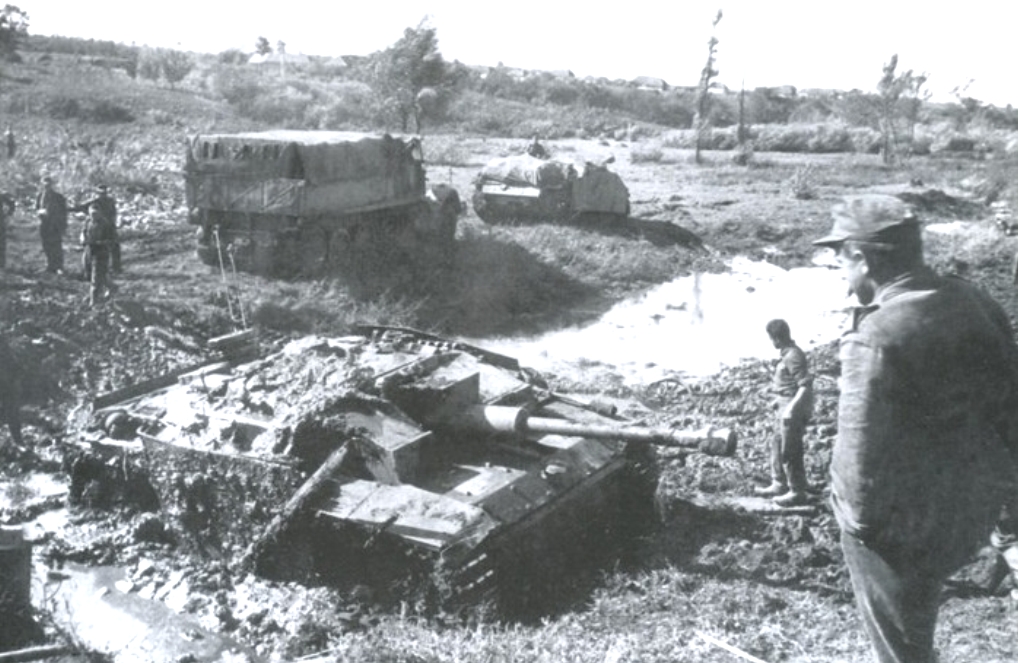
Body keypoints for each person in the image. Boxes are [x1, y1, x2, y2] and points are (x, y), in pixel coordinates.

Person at [814, 193, 1018, 663]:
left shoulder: (875, 336)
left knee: (903, 647)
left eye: (841, 261)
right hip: (973, 509)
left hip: (906, 528)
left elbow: (857, 461)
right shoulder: (973, 299)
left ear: (863, 259)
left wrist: (856, 527)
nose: (842, 275)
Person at [754, 318, 813, 507]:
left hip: (791, 407)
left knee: (790, 449)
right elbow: (787, 383)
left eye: (771, 338)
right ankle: (779, 483)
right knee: (777, 444)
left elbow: (805, 386)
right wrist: (777, 399)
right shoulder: (787, 353)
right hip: (783, 404)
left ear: (777, 338)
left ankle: (797, 490)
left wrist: (791, 409)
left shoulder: (793, 355)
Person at [71, 184, 121, 274]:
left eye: (104, 193)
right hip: (97, 225)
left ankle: (116, 267)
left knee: (115, 246)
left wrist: (113, 223)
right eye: (100, 193)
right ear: (97, 193)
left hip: (109, 225)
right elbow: (79, 208)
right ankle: (89, 269)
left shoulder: (110, 201)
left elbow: (114, 213)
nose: (102, 195)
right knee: (92, 247)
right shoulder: (94, 202)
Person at [81, 202, 116, 306]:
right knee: (92, 273)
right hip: (89, 251)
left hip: (101, 253)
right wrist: (83, 239)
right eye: (91, 214)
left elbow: (112, 240)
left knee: (96, 277)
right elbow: (83, 232)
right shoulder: (88, 221)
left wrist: (99, 243)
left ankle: (93, 301)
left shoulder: (106, 224)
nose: (93, 216)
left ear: (100, 213)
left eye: (95, 214)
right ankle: (112, 287)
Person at [35, 176, 68, 274]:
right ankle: (49, 265)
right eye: (45, 185)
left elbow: (64, 212)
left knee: (56, 245)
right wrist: (39, 213)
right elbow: (37, 208)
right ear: (42, 185)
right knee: (46, 245)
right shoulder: (40, 196)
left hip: (55, 225)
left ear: (51, 185)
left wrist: (63, 225)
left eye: (48, 185)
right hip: (44, 224)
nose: (47, 187)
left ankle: (59, 267)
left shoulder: (59, 197)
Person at [0, 334, 24, 451]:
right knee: (12, 413)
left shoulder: (3, 344)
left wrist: (15, 381)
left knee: (13, 414)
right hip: (7, 384)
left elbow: (14, 364)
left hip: (8, 385)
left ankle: (18, 441)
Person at [0, 191, 14, 270]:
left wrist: (8, 214)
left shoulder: (1, 195)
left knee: (1, 243)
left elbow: (11, 203)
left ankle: (1, 263)